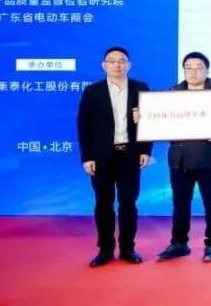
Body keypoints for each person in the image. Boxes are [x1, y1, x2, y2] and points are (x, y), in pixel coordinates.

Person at [152, 52, 211, 263]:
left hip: (207, 156)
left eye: (198, 67)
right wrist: (145, 118)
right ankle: (179, 243)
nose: (193, 72)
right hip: (179, 158)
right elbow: (160, 120)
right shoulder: (172, 94)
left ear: (207, 70)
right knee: (180, 203)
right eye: (189, 68)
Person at [77, 46, 151, 267]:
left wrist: (146, 150)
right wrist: (87, 157)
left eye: (122, 61)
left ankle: (128, 248)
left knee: (128, 203)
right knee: (103, 203)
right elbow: (84, 126)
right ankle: (105, 250)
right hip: (101, 157)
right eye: (112, 61)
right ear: (104, 65)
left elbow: (151, 122)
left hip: (130, 154)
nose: (117, 65)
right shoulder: (93, 91)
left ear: (129, 65)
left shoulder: (141, 88)